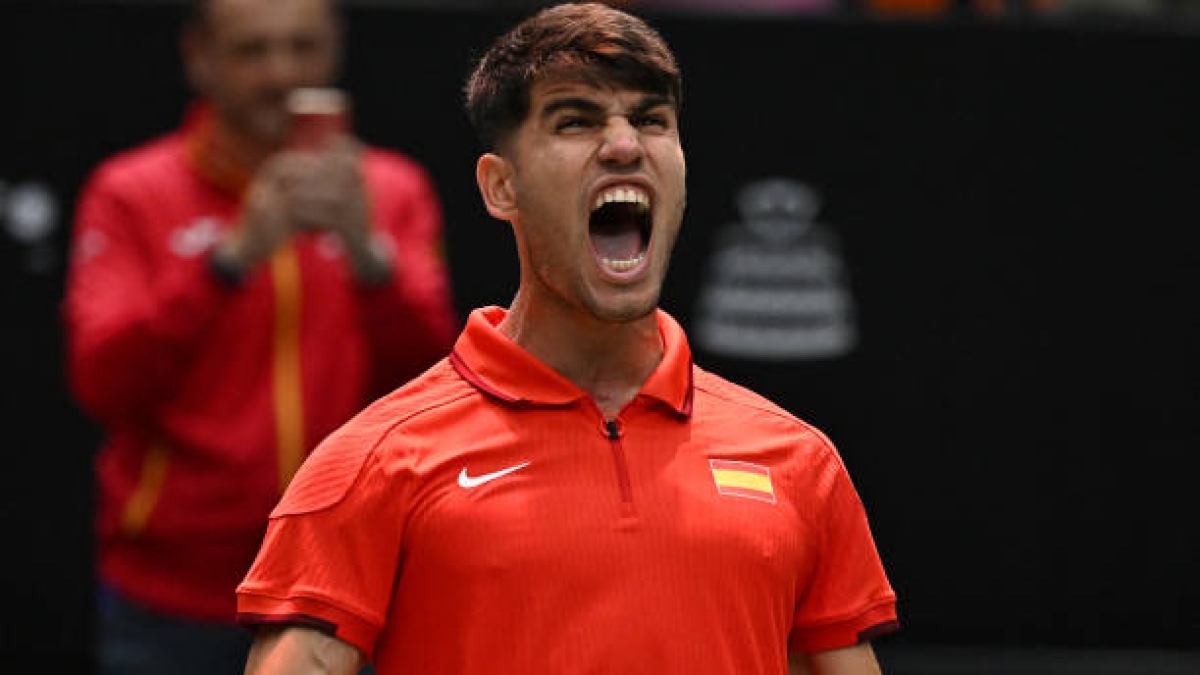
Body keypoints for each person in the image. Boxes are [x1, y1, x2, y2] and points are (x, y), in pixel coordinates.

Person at [235, 3, 897, 674]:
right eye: (575, 121)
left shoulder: (798, 462)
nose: (623, 145)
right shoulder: (373, 465)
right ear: (501, 186)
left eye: (650, 119)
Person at [61, 0, 458, 672]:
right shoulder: (131, 191)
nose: (281, 73)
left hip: (346, 581)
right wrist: (228, 260)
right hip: (175, 591)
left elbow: (433, 388)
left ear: (334, 49)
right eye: (253, 51)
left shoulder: (391, 190)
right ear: (199, 58)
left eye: (303, 47)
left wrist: (369, 259)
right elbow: (103, 379)